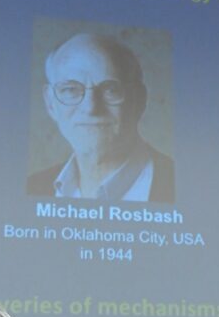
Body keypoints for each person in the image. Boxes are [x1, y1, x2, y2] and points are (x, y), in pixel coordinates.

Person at [27, 33, 174, 202]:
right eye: (71, 90)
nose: (91, 108)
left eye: (110, 89)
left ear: (139, 100)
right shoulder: (32, 187)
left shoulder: (183, 184)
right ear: (51, 103)